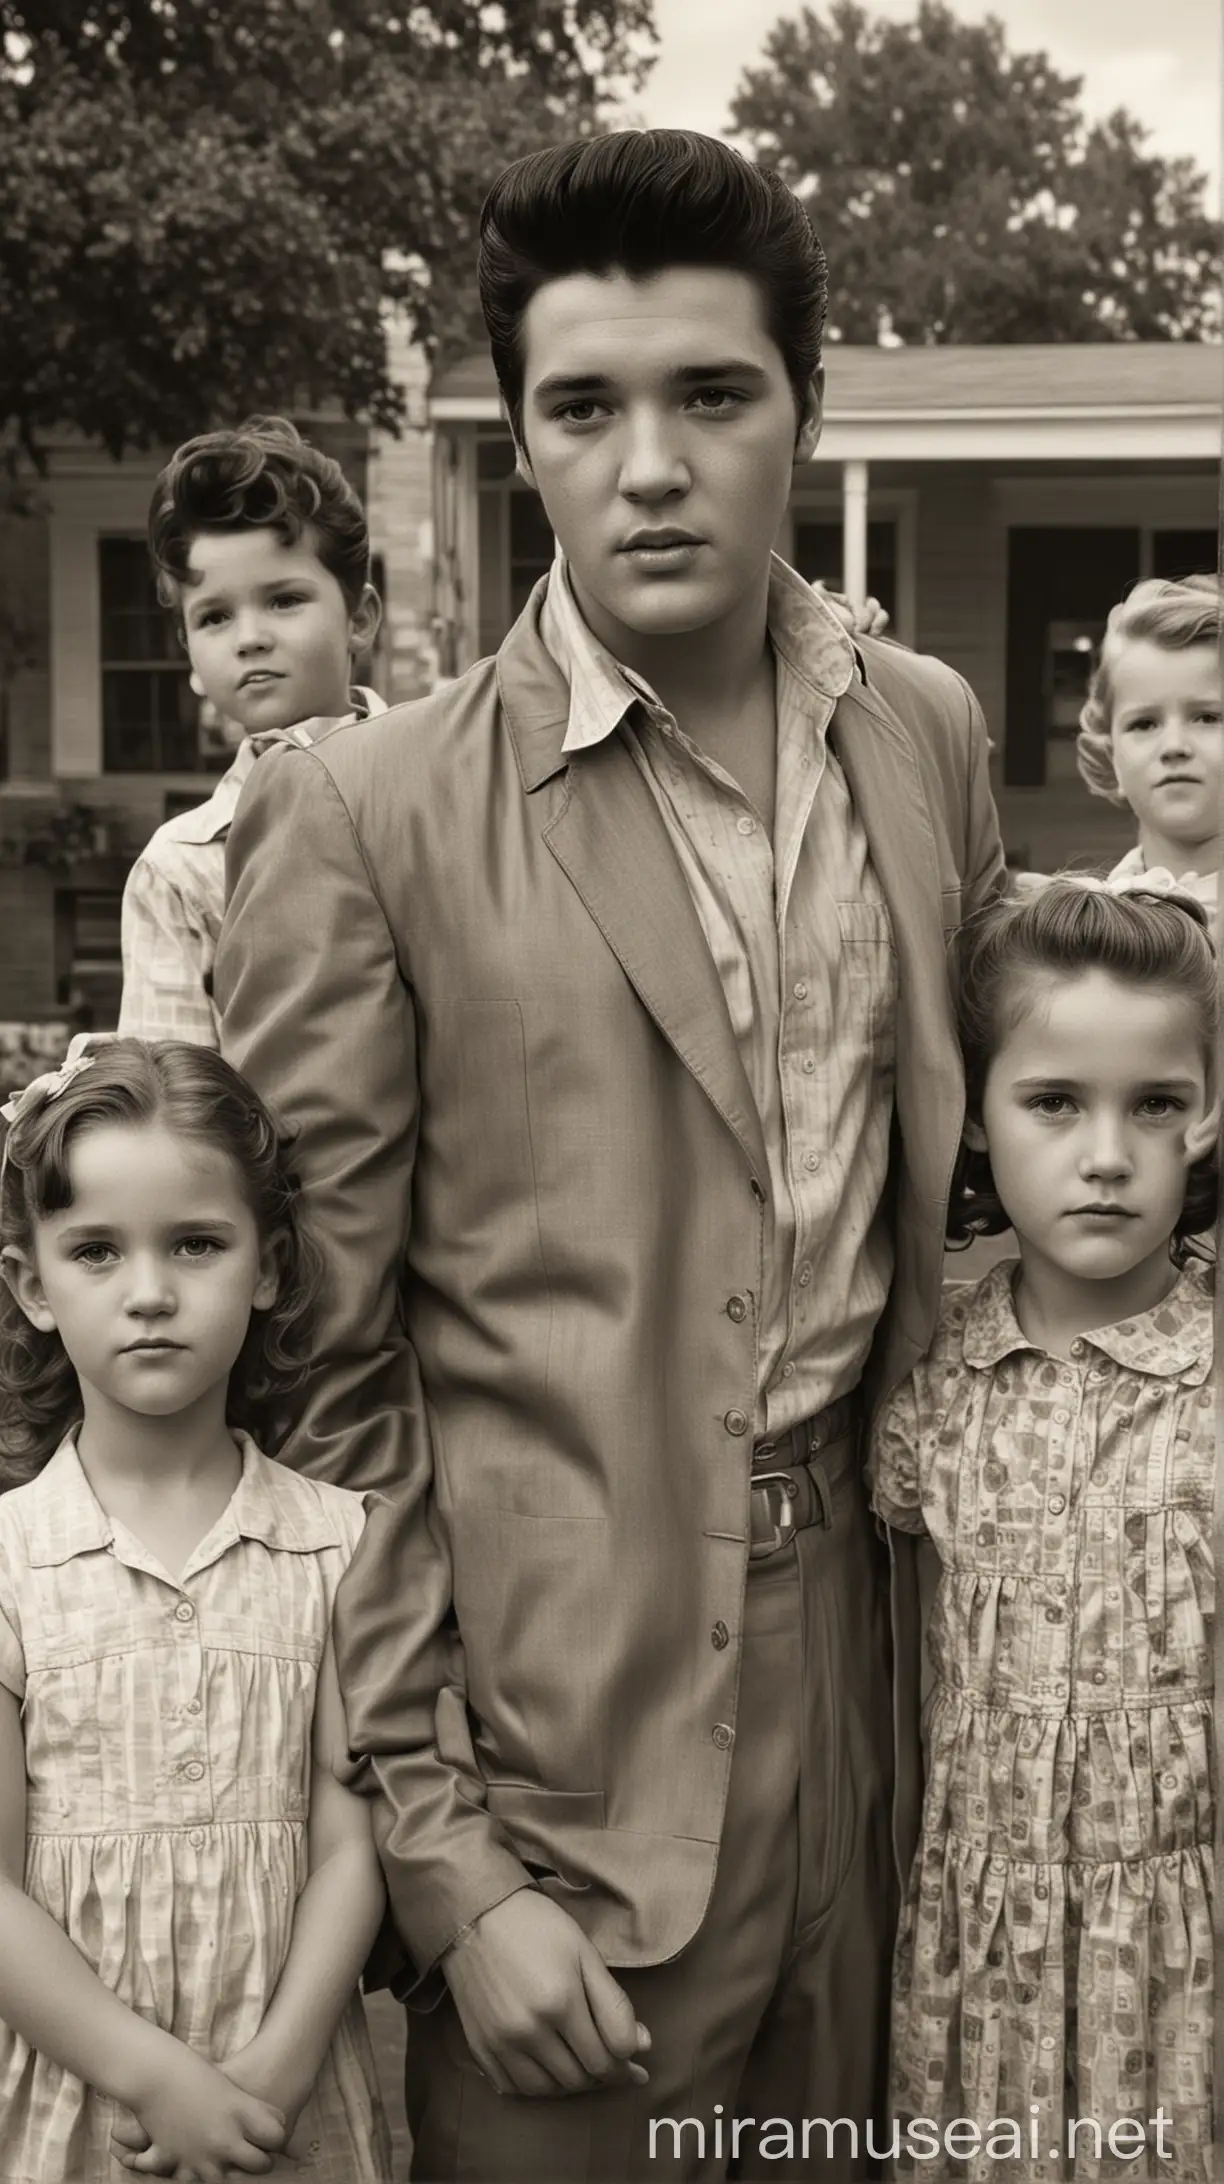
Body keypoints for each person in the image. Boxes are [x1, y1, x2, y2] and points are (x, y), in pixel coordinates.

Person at [216, 128, 1007, 2180]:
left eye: (712, 397)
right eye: (586, 407)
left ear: (801, 413)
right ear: (526, 441)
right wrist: (450, 1862)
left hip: (892, 1697)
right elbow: (316, 1380)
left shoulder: (922, 731)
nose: (651, 464)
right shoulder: (365, 812)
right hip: (558, 1760)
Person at [868, 879, 1218, 2180]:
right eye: (1056, 1103)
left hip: (1192, 1974)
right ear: (975, 1113)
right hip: (981, 1965)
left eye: (1156, 1105)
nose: (1109, 1154)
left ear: (1208, 1111)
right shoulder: (922, 1392)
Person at [0, 1036, 392, 2184]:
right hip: (76, 2105)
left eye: (196, 1243)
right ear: (32, 1285)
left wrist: (272, 2072)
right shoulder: (8, 1561)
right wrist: (154, 2077)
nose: (151, 1292)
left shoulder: (339, 1541)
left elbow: (349, 1836)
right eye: (96, 1253)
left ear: (268, 1267)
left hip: (293, 2102)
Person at [118, 417, 386, 1048]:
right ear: (188, 653)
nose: (250, 638)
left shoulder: (451, 790)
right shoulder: (179, 871)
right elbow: (176, 1107)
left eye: (284, 600)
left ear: (361, 618)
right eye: (214, 617)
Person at [1076, 574, 1221, 916]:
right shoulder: (1087, 926)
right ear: (1112, 757)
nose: (1173, 746)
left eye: (1208, 717)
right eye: (1143, 723)